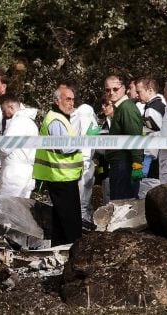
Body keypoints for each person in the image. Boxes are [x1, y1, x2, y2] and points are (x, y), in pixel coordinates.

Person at [33, 85, 83, 245]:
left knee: (61, 219)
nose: (71, 103)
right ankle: (74, 251)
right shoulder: (56, 119)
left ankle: (59, 249)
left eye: (73, 99)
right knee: (71, 220)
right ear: (57, 100)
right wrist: (85, 139)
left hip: (62, 176)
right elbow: (64, 147)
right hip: (61, 177)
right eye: (67, 99)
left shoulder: (58, 117)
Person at [0, 93, 38, 198]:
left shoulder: (18, 122)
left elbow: (5, 148)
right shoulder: (31, 123)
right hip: (27, 173)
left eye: (3, 109)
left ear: (11, 107)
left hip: (14, 175)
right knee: (21, 211)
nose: (2, 113)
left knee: (6, 209)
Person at [103, 75, 144, 200]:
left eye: (115, 89)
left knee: (123, 207)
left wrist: (137, 164)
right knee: (120, 206)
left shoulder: (126, 108)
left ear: (124, 89)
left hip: (124, 166)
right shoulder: (121, 108)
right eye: (108, 90)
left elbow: (135, 138)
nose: (111, 92)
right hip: (119, 165)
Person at [69, 97, 100, 225]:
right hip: (83, 158)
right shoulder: (85, 112)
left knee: (83, 189)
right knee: (83, 190)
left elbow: (86, 135)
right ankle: (81, 217)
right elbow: (87, 136)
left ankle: (81, 215)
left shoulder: (81, 113)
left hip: (82, 157)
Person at [135, 77, 166, 179]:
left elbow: (153, 136)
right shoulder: (162, 105)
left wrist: (147, 160)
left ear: (150, 91)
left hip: (153, 158)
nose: (137, 95)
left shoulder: (151, 110)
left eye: (139, 92)